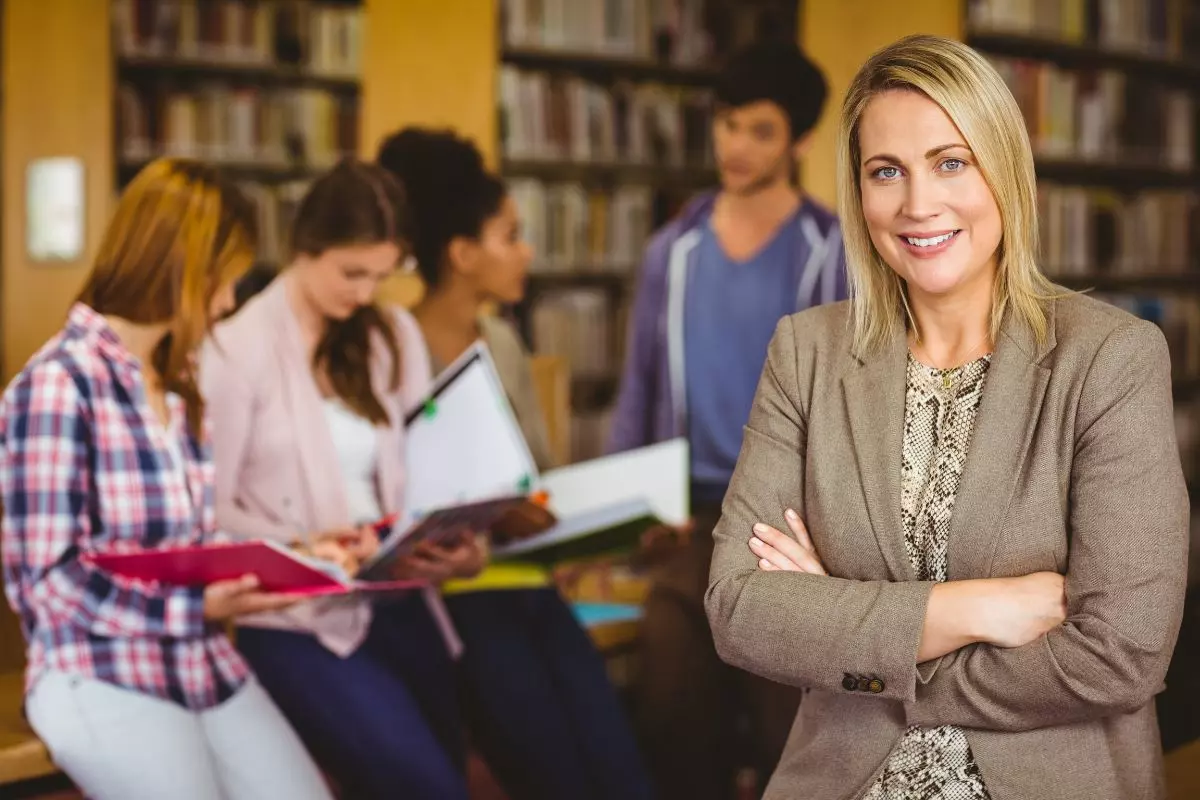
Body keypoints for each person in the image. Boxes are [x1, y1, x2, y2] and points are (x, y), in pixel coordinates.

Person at [707, 33, 1189, 800]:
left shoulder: (1111, 359)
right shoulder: (805, 353)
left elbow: (1119, 654)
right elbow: (739, 611)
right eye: (885, 172)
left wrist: (854, 639)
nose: (917, 204)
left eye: (950, 162)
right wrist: (976, 608)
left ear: (1003, 169)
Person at [0, 158, 333, 800]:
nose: (229, 303)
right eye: (224, 282)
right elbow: (48, 583)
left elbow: (184, 548)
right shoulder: (57, 387)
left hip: (201, 664)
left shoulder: (178, 391)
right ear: (181, 268)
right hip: (97, 671)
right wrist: (195, 606)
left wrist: (283, 562)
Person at [376, 126, 655, 800]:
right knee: (556, 769)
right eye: (510, 235)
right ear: (462, 253)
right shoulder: (392, 348)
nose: (527, 251)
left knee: (618, 763)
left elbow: (540, 478)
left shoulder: (501, 339)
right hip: (458, 598)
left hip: (529, 580)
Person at [606, 38, 846, 798]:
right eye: (728, 124)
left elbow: (850, 397)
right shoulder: (670, 252)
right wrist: (627, 510)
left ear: (801, 141)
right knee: (670, 694)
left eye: (761, 130)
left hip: (790, 521)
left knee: (789, 715)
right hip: (689, 522)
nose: (736, 146)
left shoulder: (832, 251)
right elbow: (637, 391)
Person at [201, 159, 482, 799]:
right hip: (296, 617)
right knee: (423, 784)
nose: (363, 294)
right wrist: (307, 548)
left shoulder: (392, 334)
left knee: (448, 775)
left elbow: (424, 472)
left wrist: (449, 536)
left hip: (396, 593)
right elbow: (207, 516)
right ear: (305, 249)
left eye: (382, 277)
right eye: (351, 273)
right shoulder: (236, 348)